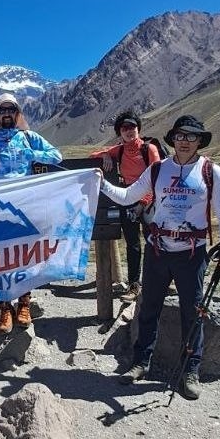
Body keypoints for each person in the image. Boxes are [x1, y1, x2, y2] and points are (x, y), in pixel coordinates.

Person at [99, 115, 220, 400]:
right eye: (180, 135)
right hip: (158, 250)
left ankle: (190, 370)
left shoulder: (211, 171)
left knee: (192, 312)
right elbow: (127, 196)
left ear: (200, 140)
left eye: (191, 136)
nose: (185, 141)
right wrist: (100, 183)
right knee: (149, 308)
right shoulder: (158, 169)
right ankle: (140, 363)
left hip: (192, 254)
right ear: (173, 139)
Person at [0, 92, 63, 333]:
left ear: (17, 114)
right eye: (2, 110)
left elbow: (57, 155)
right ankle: (5, 308)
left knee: (24, 256)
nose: (6, 114)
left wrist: (33, 154)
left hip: (24, 209)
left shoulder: (28, 137)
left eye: (11, 110)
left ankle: (24, 304)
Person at [89, 110, 161, 301]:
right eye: (124, 128)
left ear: (138, 128)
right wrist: (105, 154)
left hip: (150, 201)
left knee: (155, 242)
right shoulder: (119, 150)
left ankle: (159, 281)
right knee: (133, 244)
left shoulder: (149, 149)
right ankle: (134, 285)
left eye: (132, 127)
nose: (129, 131)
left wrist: (143, 203)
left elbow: (157, 177)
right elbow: (92, 155)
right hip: (128, 199)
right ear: (120, 132)